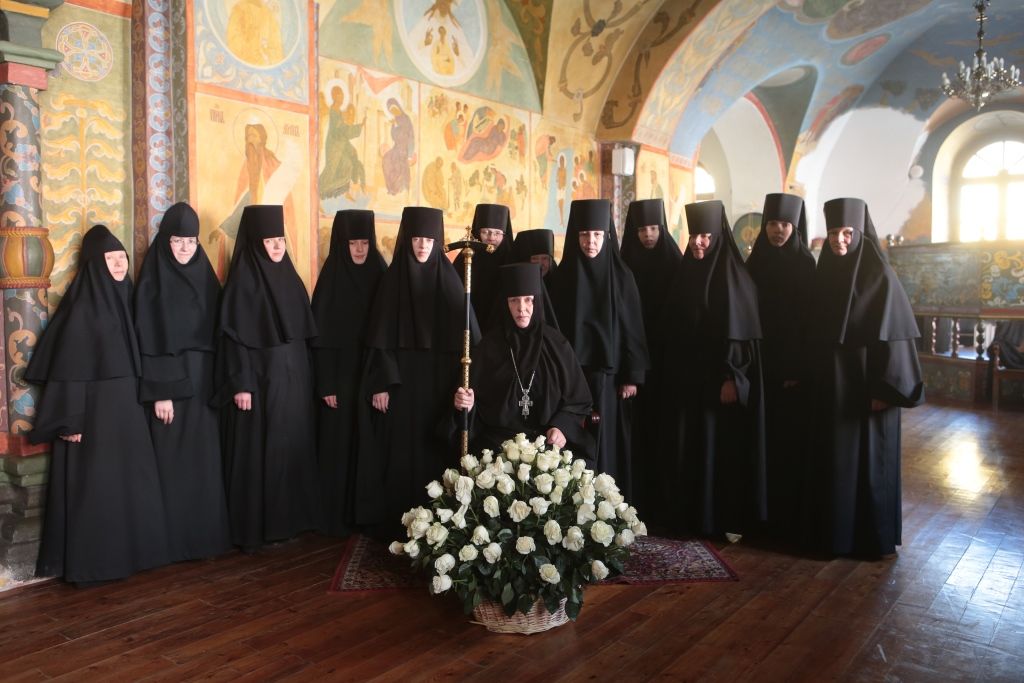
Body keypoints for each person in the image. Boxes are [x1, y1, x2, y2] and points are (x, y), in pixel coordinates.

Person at [28, 225, 170, 584]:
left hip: (126, 411)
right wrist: (70, 421)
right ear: (95, 264)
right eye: (111, 259)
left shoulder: (127, 301)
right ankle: (95, 565)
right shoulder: (81, 311)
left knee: (129, 484)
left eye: (122, 257)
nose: (120, 264)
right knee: (96, 488)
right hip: (92, 418)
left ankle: (133, 556)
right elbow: (70, 371)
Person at [806, 197, 923, 559]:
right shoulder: (823, 275)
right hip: (832, 389)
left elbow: (896, 341)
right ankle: (833, 536)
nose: (839, 240)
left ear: (859, 233)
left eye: (846, 233)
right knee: (834, 464)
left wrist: (885, 390)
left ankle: (870, 538)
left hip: (869, 390)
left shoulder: (881, 278)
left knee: (870, 465)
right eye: (833, 233)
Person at [356, 206, 477, 536]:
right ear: (407, 241)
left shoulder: (452, 282)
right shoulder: (391, 281)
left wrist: (462, 386)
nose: (422, 246)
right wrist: (381, 383)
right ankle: (399, 520)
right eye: (416, 239)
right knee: (400, 453)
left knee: (435, 450)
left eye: (429, 240)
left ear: (437, 242)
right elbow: (378, 342)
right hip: (401, 385)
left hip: (439, 386)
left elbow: (469, 345)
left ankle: (437, 524)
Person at [215, 204, 320, 553]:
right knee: (263, 454)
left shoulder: (291, 279)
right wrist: (241, 384)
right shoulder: (242, 283)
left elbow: (304, 335)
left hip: (294, 383)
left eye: (280, 240)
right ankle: (261, 527)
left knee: (292, 449)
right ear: (256, 243)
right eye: (270, 241)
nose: (277, 247)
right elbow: (233, 341)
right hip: (259, 385)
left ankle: (292, 521)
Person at [658, 200, 766, 538]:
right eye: (694, 236)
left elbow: (741, 336)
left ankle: (714, 521)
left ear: (718, 236)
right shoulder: (686, 272)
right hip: (686, 380)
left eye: (705, 236)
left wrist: (733, 377)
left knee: (715, 451)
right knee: (686, 449)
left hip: (719, 382)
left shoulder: (735, 277)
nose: (698, 243)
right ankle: (686, 517)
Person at [134, 202, 231, 562]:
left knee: (204, 461)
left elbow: (222, 335)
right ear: (165, 242)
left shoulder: (206, 279)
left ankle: (204, 540)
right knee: (172, 461)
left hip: (204, 383)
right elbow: (148, 339)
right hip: (170, 386)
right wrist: (161, 393)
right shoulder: (152, 283)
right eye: (178, 241)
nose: (186, 248)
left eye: (191, 241)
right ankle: (171, 544)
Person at [547, 199, 649, 497]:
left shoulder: (622, 277)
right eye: (584, 234)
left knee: (607, 442)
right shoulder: (562, 278)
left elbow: (633, 329)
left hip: (610, 377)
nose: (590, 241)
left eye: (597, 235)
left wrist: (632, 376)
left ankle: (608, 504)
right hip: (570, 376)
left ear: (607, 236)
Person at [453, 263, 593, 455]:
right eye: (514, 300)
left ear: (538, 301)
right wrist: (467, 404)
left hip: (547, 443)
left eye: (528, 300)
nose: (521, 308)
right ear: (505, 303)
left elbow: (579, 401)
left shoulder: (557, 345)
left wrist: (561, 427)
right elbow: (472, 401)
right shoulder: (488, 347)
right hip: (497, 445)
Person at [744, 193, 816, 542]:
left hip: (790, 371)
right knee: (758, 442)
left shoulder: (805, 264)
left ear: (795, 227)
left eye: (785, 224)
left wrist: (795, 369)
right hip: (759, 366)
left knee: (787, 444)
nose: (778, 230)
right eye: (772, 223)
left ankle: (788, 517)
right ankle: (758, 515)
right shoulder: (755, 262)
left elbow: (809, 324)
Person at [311, 209, 387, 537]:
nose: (359, 249)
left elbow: (387, 336)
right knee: (338, 445)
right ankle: (335, 517)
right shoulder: (331, 277)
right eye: (353, 243)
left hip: (370, 375)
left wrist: (382, 381)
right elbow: (320, 339)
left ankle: (365, 515)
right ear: (343, 244)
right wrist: (326, 383)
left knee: (368, 444)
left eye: (365, 243)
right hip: (339, 377)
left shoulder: (381, 274)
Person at [620, 198, 682, 516]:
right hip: (633, 364)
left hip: (667, 362)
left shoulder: (675, 262)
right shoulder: (623, 264)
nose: (648, 235)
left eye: (653, 229)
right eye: (642, 229)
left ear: (662, 228)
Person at [453, 203, 513, 328]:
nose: (491, 237)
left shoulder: (512, 260)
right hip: (469, 324)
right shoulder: (465, 257)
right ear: (477, 233)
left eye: (497, 233)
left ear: (505, 235)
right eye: (485, 232)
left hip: (501, 327)